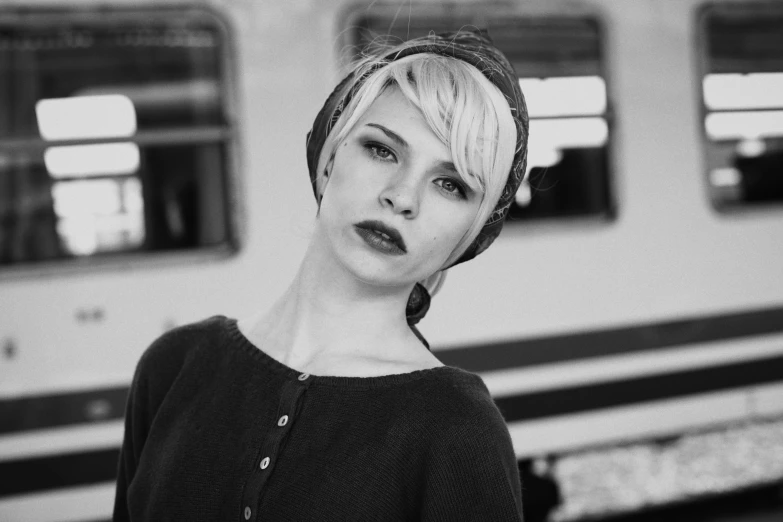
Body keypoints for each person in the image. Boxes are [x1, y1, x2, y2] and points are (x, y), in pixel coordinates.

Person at [113, 28, 529, 521]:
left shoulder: (456, 429)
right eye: (382, 150)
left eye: (450, 184)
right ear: (329, 158)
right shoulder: (173, 367)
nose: (402, 196)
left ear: (471, 234)